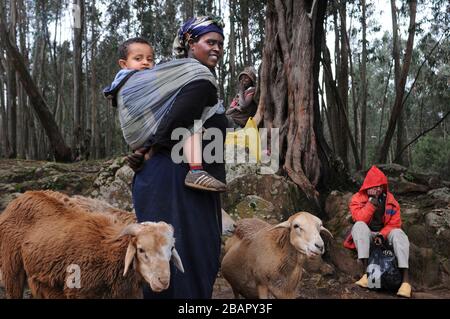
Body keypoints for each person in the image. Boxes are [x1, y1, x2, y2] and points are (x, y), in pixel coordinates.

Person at [127, 16, 227, 298]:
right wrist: (150, 149)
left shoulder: (185, 79)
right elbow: (173, 121)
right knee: (186, 255)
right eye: (210, 42)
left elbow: (193, 122)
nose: (217, 48)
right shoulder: (198, 80)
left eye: (220, 43)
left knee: (181, 255)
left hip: (178, 179)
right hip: (177, 181)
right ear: (190, 43)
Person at [104, 37, 225, 192]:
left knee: (192, 122)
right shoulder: (132, 82)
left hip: (154, 153)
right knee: (192, 126)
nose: (146, 63)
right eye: (138, 59)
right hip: (159, 164)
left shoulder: (151, 82)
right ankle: (195, 170)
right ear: (123, 64)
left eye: (150, 59)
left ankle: (194, 170)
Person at [343, 165, 412, 298]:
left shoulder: (391, 201)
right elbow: (359, 218)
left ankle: (405, 281)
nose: (378, 189)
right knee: (359, 226)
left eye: (381, 186)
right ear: (367, 186)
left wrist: (382, 234)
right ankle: (366, 274)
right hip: (367, 233)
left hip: (385, 233)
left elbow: (395, 223)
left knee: (400, 234)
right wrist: (371, 203)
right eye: (375, 186)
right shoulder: (357, 199)